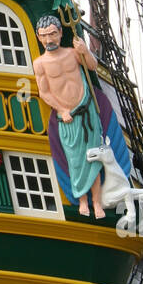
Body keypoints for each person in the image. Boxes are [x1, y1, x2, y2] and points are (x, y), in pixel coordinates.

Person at [33, 14, 104, 219]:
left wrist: (85, 51)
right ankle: (83, 201)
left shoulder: (73, 54)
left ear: (60, 33)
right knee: (75, 160)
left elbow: (92, 66)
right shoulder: (40, 64)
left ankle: (97, 203)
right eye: (44, 36)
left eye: (53, 34)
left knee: (93, 158)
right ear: (39, 37)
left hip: (86, 109)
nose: (49, 40)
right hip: (67, 116)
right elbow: (44, 92)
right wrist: (62, 110)